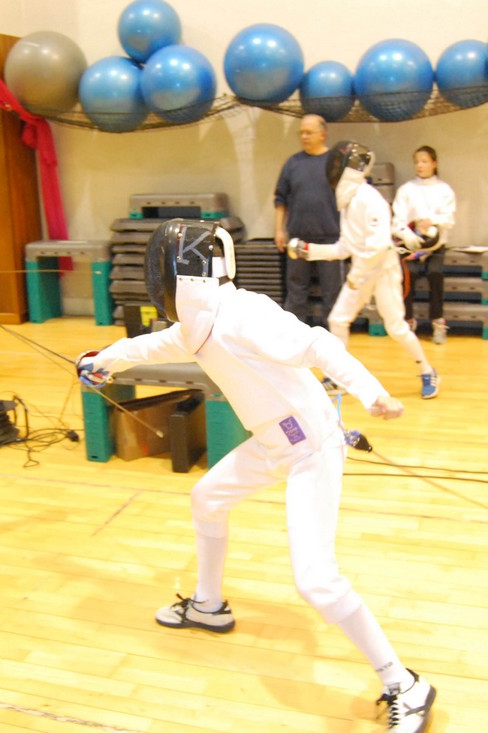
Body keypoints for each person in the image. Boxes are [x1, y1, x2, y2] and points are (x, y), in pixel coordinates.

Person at [77, 218, 435, 733]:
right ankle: (208, 605)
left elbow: (318, 345)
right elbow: (147, 348)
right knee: (207, 499)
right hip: (274, 442)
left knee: (316, 581)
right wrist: (101, 362)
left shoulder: (243, 314)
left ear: (183, 275)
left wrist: (371, 392)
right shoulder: (196, 326)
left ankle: (403, 682)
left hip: (311, 447)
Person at [288, 140, 439, 400]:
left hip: (383, 270)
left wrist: (356, 278)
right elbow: (345, 248)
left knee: (396, 327)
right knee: (337, 321)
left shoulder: (369, 199)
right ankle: (338, 379)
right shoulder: (349, 201)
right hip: (363, 270)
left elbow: (378, 247)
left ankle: (428, 371)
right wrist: (308, 251)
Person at [274, 114, 344, 331]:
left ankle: (333, 337)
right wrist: (279, 230)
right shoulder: (293, 163)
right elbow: (280, 199)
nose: (304, 136)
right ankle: (294, 334)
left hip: (330, 239)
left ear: (323, 134)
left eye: (309, 132)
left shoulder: (336, 162)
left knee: (332, 290)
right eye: (301, 132)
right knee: (296, 289)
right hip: (297, 238)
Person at [391, 146, 456, 344]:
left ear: (434, 164)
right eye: (417, 161)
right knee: (406, 274)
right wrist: (410, 232)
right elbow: (397, 221)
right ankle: (408, 321)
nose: (420, 165)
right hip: (411, 246)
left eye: (425, 161)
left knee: (435, 274)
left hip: (435, 247)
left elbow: (448, 218)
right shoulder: (406, 190)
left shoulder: (444, 190)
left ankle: (437, 322)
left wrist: (431, 221)